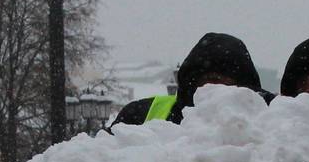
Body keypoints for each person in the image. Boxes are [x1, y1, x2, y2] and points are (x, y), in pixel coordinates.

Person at [112, 32, 268, 126]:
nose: (214, 87)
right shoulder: (140, 115)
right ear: (192, 82)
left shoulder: (271, 115)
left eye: (224, 81)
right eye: (209, 79)